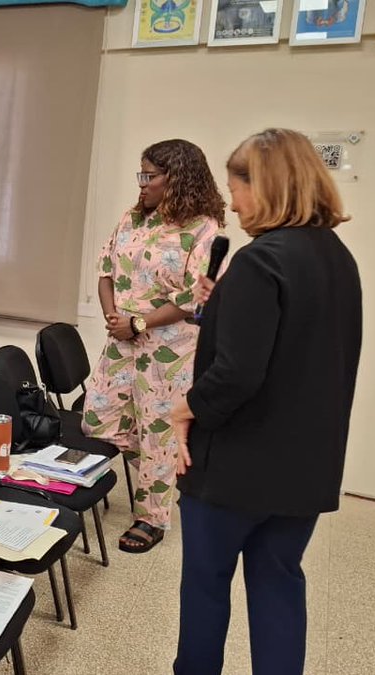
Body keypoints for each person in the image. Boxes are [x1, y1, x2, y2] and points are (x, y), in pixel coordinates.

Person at [170, 129, 361, 675]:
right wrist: (222, 306)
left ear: (270, 185)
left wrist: (186, 408)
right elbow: (297, 347)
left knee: (206, 587)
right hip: (304, 469)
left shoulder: (259, 261)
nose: (234, 203)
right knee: (279, 582)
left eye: (239, 189)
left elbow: (236, 374)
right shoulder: (335, 258)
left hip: (236, 469)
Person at [82, 139, 225, 554]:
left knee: (159, 434)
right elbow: (106, 268)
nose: (141, 184)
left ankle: (151, 517)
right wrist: (115, 319)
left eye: (150, 175)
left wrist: (139, 322)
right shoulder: (132, 219)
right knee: (98, 418)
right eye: (140, 175)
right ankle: (153, 468)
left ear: (176, 179)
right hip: (122, 340)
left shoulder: (203, 229)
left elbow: (195, 296)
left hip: (170, 349)